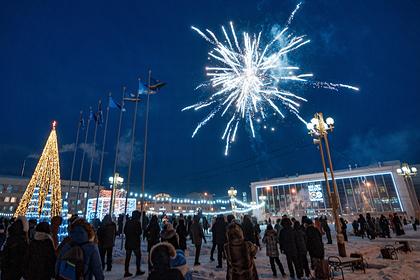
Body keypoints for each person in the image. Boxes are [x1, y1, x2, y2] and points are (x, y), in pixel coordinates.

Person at [124, 210, 145, 277]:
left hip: (128, 242)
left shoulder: (128, 222)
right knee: (138, 257)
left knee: (128, 258)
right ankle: (138, 270)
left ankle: (126, 271)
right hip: (135, 243)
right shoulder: (137, 223)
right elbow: (139, 232)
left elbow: (125, 231)